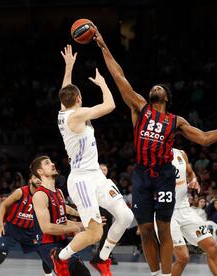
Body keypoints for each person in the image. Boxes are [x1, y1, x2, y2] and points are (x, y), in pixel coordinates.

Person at [94, 29, 217, 276]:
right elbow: (118, 75)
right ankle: (156, 273)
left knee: (163, 227)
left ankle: (165, 275)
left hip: (164, 176)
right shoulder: (139, 107)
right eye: (153, 86)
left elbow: (205, 139)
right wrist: (103, 46)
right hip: (142, 175)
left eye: (160, 87)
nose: (155, 87)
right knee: (145, 229)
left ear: (166, 97)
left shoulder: (176, 121)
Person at [54, 45, 134, 276]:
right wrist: (102, 84)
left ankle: (101, 258)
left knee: (126, 216)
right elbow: (109, 106)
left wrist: (69, 66)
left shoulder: (63, 111)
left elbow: (64, 91)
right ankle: (60, 257)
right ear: (78, 98)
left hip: (96, 176)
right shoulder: (78, 114)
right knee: (95, 233)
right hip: (81, 180)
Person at [31, 156, 90, 276]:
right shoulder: (40, 195)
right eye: (47, 163)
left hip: (63, 242)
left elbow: (63, 221)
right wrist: (75, 228)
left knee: (83, 272)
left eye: (52, 161)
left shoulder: (59, 192)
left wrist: (88, 223)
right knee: (80, 272)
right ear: (40, 171)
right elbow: (46, 228)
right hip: (48, 245)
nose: (53, 164)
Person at [169, 148, 217, 276]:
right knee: (183, 257)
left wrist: (193, 179)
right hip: (166, 213)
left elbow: (190, 173)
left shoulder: (181, 153)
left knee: (213, 248)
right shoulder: (152, 155)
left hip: (184, 210)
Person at [0, 175, 52, 276]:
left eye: (41, 179)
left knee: (45, 255)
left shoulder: (44, 195)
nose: (39, 180)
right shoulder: (21, 192)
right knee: (0, 257)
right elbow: (3, 204)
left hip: (31, 231)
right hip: (13, 229)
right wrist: (0, 223)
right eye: (36, 178)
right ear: (30, 180)